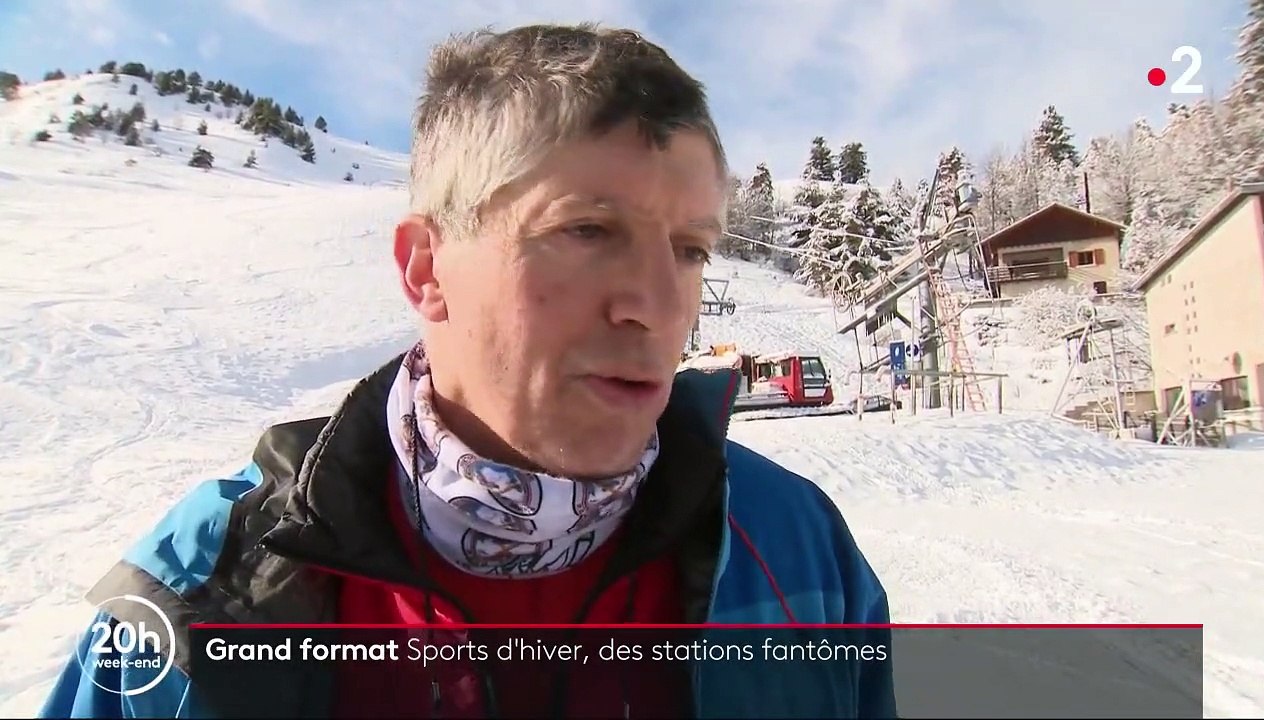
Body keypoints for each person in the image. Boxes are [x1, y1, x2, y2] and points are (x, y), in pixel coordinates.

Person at [40, 22, 896, 719]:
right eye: (588, 231)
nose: (655, 304)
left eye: (690, 248)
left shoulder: (794, 546)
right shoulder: (211, 585)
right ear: (425, 269)